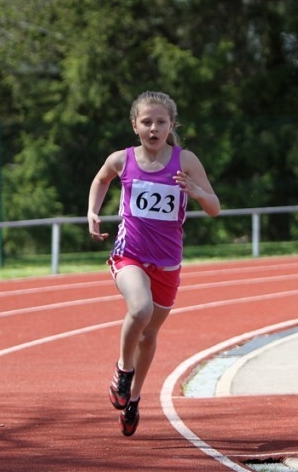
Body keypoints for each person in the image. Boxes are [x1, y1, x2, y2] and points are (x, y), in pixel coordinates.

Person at [87, 91, 220, 437]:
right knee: (140, 308)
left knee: (150, 333)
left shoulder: (186, 160)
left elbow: (214, 207)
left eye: (161, 122)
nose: (154, 128)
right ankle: (122, 369)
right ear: (135, 126)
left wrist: (198, 193)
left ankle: (133, 398)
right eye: (147, 122)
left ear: (171, 125)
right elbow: (101, 179)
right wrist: (93, 211)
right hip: (129, 254)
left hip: (168, 263)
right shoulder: (121, 160)